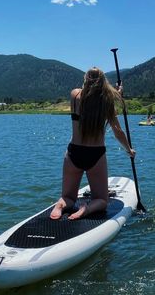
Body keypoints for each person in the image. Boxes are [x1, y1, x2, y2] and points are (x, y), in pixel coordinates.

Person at [50, 67, 135, 221]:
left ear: (85, 80)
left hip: (73, 153)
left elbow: (89, 96)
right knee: (102, 200)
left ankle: (61, 205)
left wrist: (115, 93)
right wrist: (128, 149)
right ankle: (86, 209)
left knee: (68, 197)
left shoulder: (75, 95)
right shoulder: (107, 102)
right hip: (95, 155)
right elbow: (118, 131)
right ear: (103, 82)